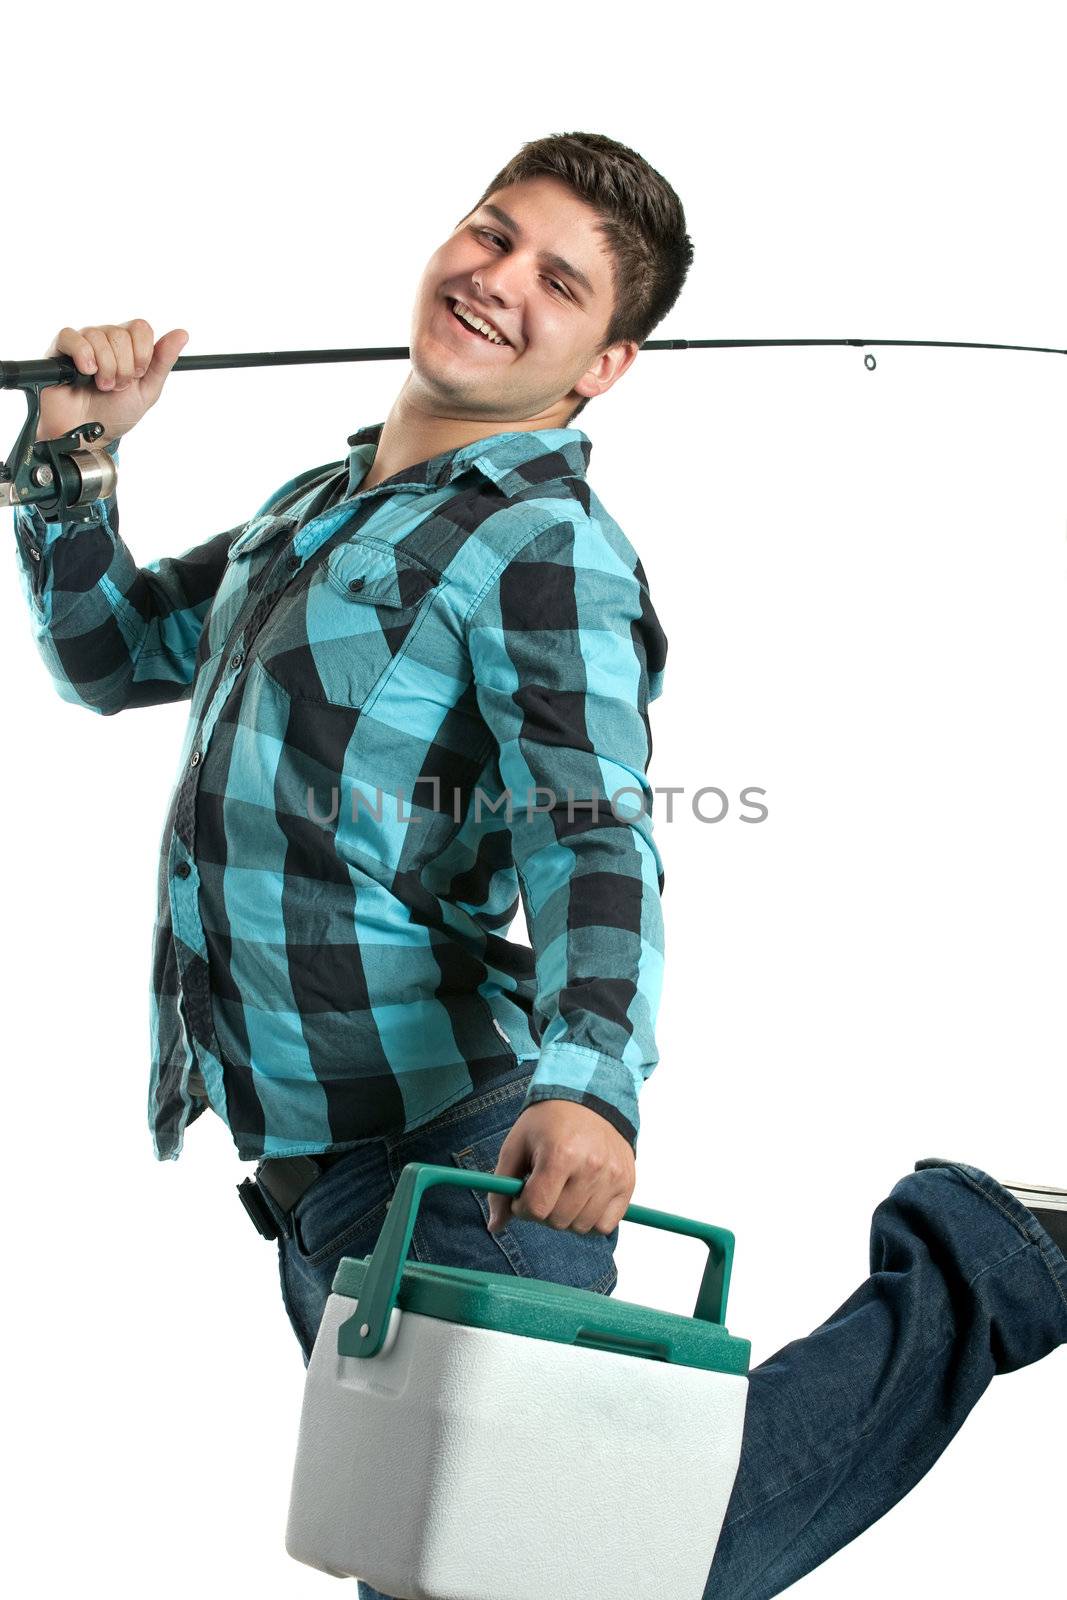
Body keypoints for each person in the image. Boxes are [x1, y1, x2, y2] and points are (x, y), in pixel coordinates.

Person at [11, 130, 1065, 1598]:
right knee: (534, 1564)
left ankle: (990, 1260)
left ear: (604, 365)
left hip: (459, 1167)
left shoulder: (544, 542)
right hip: (328, 1203)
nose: (499, 280)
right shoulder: (311, 507)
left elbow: (592, 829)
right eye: (492, 234)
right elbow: (107, 653)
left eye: (558, 282)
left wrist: (590, 1078)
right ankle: (998, 1255)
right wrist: (75, 448)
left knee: (579, 1571)